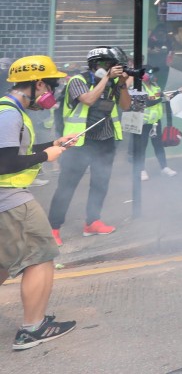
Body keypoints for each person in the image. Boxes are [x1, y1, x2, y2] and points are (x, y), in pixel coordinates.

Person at [0, 55, 77, 350]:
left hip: (5, 200)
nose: (51, 95)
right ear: (38, 83)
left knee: (4, 262)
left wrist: (52, 145)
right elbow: (5, 162)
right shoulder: (10, 114)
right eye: (51, 87)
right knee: (41, 256)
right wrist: (47, 157)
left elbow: (16, 150)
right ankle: (33, 328)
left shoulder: (9, 111)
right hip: (11, 199)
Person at [47, 47, 132, 244]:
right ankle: (53, 228)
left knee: (100, 184)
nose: (114, 69)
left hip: (105, 141)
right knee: (67, 186)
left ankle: (92, 222)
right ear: (97, 64)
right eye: (111, 65)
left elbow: (126, 106)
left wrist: (121, 84)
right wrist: (106, 79)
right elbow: (88, 99)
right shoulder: (79, 81)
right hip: (79, 143)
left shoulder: (112, 83)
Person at [132, 71, 177, 181]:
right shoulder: (138, 87)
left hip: (155, 122)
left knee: (158, 145)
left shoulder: (155, 86)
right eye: (149, 73)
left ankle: (164, 168)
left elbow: (163, 95)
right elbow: (146, 102)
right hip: (142, 122)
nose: (152, 75)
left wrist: (177, 92)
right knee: (141, 147)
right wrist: (162, 99)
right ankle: (141, 170)